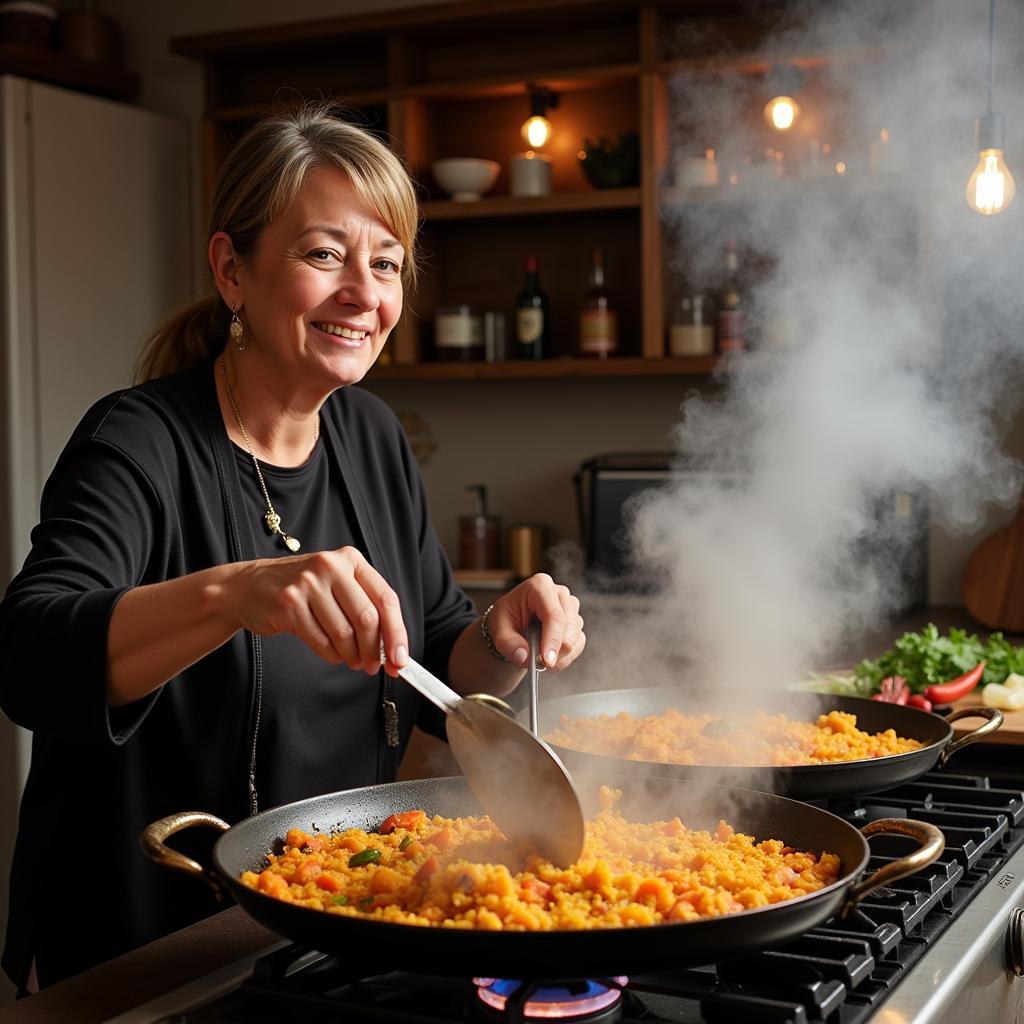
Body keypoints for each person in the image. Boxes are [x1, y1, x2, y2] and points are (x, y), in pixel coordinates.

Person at [0, 103, 586, 992]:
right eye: (323, 255)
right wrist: (238, 593)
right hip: (152, 943)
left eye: (385, 264)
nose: (365, 292)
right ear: (232, 271)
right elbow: (29, 657)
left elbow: (432, 665)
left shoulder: (371, 435)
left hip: (327, 930)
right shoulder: (139, 441)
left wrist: (499, 638)